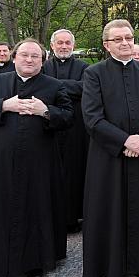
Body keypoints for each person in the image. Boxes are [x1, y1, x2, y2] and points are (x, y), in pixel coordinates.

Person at [0, 39, 74, 277]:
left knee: (37, 208)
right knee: (0, 210)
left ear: (42, 61)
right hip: (1, 163)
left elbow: (68, 117)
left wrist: (45, 111)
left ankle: (34, 262)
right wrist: (4, 105)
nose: (29, 60)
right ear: (14, 57)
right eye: (24, 55)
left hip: (40, 163)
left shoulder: (54, 86)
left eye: (35, 56)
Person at [81, 19, 139, 277]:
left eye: (129, 38)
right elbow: (92, 118)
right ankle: (111, 268)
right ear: (106, 45)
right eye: (118, 39)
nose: (125, 43)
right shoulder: (94, 73)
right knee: (110, 210)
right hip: (109, 157)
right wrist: (125, 141)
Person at [42, 29, 90, 232]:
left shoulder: (85, 67)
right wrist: (70, 87)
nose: (63, 46)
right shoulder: (43, 67)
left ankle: (74, 216)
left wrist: (53, 86)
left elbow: (85, 88)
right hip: (48, 127)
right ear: (52, 45)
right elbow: (38, 90)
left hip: (76, 128)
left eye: (67, 43)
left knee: (75, 171)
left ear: (73, 45)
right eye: (59, 43)